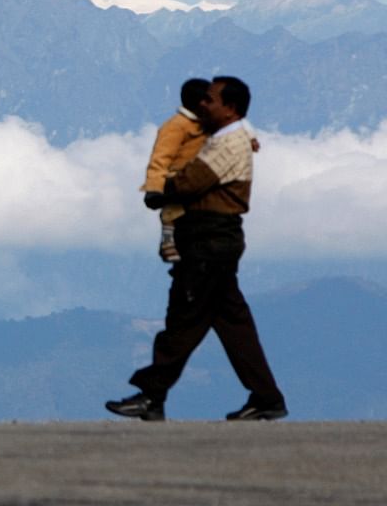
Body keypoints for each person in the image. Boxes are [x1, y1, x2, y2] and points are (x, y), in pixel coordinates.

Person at [108, 76, 287, 422]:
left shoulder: (228, 144)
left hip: (209, 244)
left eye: (210, 99)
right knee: (234, 325)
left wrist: (162, 188)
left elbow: (192, 182)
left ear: (230, 108)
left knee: (184, 320)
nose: (202, 104)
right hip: (216, 243)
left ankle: (151, 395)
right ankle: (266, 397)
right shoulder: (228, 138)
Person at [142, 78, 211, 263]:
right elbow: (160, 158)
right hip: (178, 179)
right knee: (173, 210)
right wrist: (154, 188)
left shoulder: (207, 126)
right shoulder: (176, 126)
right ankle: (168, 239)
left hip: (201, 182)